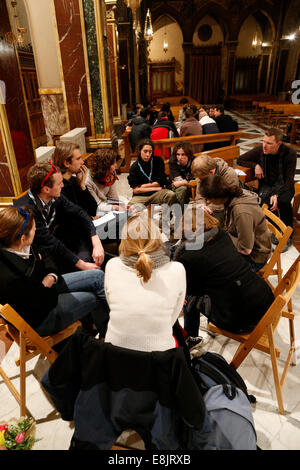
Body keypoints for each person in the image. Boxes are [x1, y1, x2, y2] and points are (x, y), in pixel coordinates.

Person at [0, 206, 109, 338]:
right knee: (94, 297)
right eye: (34, 228)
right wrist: (45, 280)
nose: (35, 229)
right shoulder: (9, 277)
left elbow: (45, 255)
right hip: (41, 318)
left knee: (98, 276)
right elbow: (44, 302)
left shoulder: (17, 243)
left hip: (47, 290)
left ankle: (106, 324)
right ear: (22, 238)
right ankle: (108, 335)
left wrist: (50, 276)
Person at [173, 205, 274, 335]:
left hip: (241, 321)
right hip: (266, 302)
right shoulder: (222, 234)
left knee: (188, 296)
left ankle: (191, 337)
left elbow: (194, 289)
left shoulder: (189, 256)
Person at [104, 213, 186, 352]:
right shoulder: (177, 270)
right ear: (158, 238)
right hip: (160, 357)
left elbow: (111, 303)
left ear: (124, 240)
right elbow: (172, 320)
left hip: (114, 355)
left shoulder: (112, 265)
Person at [14, 161, 104, 274]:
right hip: (37, 260)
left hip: (55, 247)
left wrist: (95, 240)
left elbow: (80, 212)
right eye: (59, 183)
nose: (62, 185)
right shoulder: (26, 209)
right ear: (46, 189)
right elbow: (50, 242)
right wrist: (82, 264)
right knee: (94, 272)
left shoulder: (55, 197)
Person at [237, 128, 297, 250]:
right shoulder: (260, 150)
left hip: (285, 185)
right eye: (263, 141)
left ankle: (288, 235)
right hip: (267, 185)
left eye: (269, 143)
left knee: (283, 201)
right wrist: (256, 165)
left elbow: (289, 180)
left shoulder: (290, 153)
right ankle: (276, 229)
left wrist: (277, 194)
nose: (265, 145)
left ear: (278, 144)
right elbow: (240, 160)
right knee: (265, 201)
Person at [199, 175, 272, 272]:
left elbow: (245, 249)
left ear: (216, 197)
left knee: (212, 267)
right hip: (247, 245)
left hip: (255, 258)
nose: (208, 201)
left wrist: (222, 238)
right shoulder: (232, 195)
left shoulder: (241, 211)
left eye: (208, 199)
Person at [85, 148, 130, 242]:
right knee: (121, 219)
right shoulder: (88, 181)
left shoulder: (110, 174)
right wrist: (116, 208)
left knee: (129, 212)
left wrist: (122, 206)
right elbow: (97, 205)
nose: (116, 165)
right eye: (113, 164)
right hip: (96, 211)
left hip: (107, 204)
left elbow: (113, 197)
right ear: (104, 166)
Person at [52, 141, 97, 218]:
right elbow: (74, 217)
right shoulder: (60, 188)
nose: (82, 162)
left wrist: (82, 186)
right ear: (67, 163)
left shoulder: (74, 180)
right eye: (78, 159)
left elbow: (93, 209)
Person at [128, 138, 177, 209]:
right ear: (139, 151)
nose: (147, 154)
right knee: (129, 210)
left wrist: (142, 186)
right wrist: (155, 187)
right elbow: (136, 190)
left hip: (157, 193)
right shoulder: (134, 166)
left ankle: (165, 218)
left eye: (150, 152)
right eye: (145, 151)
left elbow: (161, 181)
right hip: (140, 196)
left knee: (171, 195)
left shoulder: (158, 161)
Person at [192, 154, 240, 225]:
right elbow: (200, 196)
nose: (200, 181)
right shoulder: (203, 175)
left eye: (201, 179)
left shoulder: (229, 174)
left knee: (210, 226)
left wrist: (209, 209)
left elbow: (229, 200)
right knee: (190, 218)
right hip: (207, 206)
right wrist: (201, 205)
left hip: (222, 208)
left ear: (211, 172)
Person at [169, 141, 195, 210]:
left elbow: (195, 180)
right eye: (178, 154)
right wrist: (186, 182)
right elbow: (176, 182)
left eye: (183, 154)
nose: (180, 157)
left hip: (192, 187)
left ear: (188, 154)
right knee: (182, 189)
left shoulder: (194, 161)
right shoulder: (173, 161)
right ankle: (178, 213)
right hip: (179, 187)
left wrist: (183, 182)